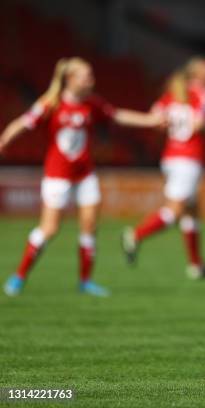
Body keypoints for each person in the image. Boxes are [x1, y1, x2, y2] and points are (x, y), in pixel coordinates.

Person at [1, 57, 165, 297]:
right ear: (70, 79)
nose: (91, 80)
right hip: (57, 175)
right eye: (86, 75)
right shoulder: (50, 104)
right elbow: (24, 123)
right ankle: (19, 276)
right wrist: (4, 138)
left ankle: (85, 281)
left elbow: (117, 115)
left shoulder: (92, 103)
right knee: (49, 229)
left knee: (89, 226)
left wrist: (150, 120)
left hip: (85, 175)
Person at [122, 57, 205, 279]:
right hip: (188, 159)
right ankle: (135, 235)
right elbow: (199, 124)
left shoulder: (173, 94)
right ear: (198, 73)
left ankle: (196, 266)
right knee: (175, 211)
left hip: (170, 157)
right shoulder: (203, 94)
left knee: (191, 211)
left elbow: (155, 117)